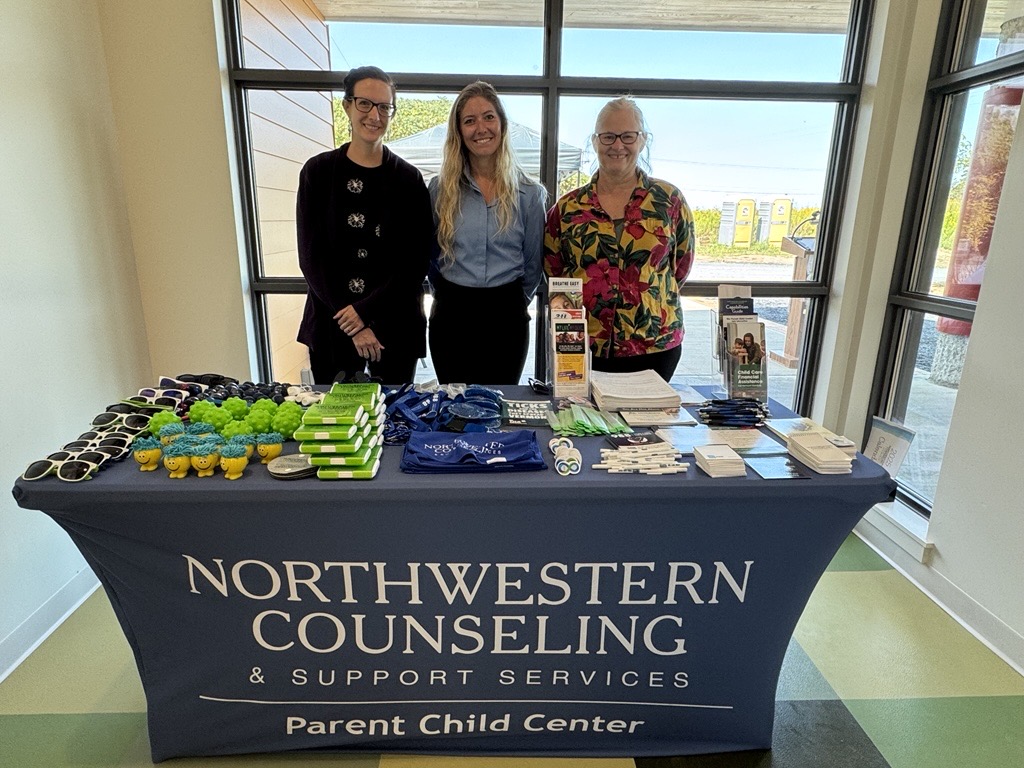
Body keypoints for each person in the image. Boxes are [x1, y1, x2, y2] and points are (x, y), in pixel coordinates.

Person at [296, 66, 433, 384]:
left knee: (396, 426)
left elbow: (415, 262)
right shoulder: (317, 172)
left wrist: (367, 313)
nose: (375, 115)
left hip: (395, 326)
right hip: (333, 323)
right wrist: (354, 321)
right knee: (333, 426)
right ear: (347, 105)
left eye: (385, 106)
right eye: (365, 104)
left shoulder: (409, 179)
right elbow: (311, 257)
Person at [544, 97, 695, 382]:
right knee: (582, 425)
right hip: (584, 346)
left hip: (654, 345)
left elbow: (680, 267)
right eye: (608, 136)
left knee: (646, 426)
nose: (617, 146)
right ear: (595, 141)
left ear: (643, 140)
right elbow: (555, 270)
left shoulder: (669, 201)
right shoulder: (567, 208)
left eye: (627, 136)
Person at [428, 81, 547, 384]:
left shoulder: (529, 194)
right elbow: (429, 255)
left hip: (506, 316)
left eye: (488, 117)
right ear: (459, 131)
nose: (480, 128)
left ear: (502, 124)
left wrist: (516, 302)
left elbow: (533, 263)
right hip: (451, 315)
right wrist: (444, 293)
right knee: (452, 412)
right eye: (469, 120)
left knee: (499, 413)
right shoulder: (439, 190)